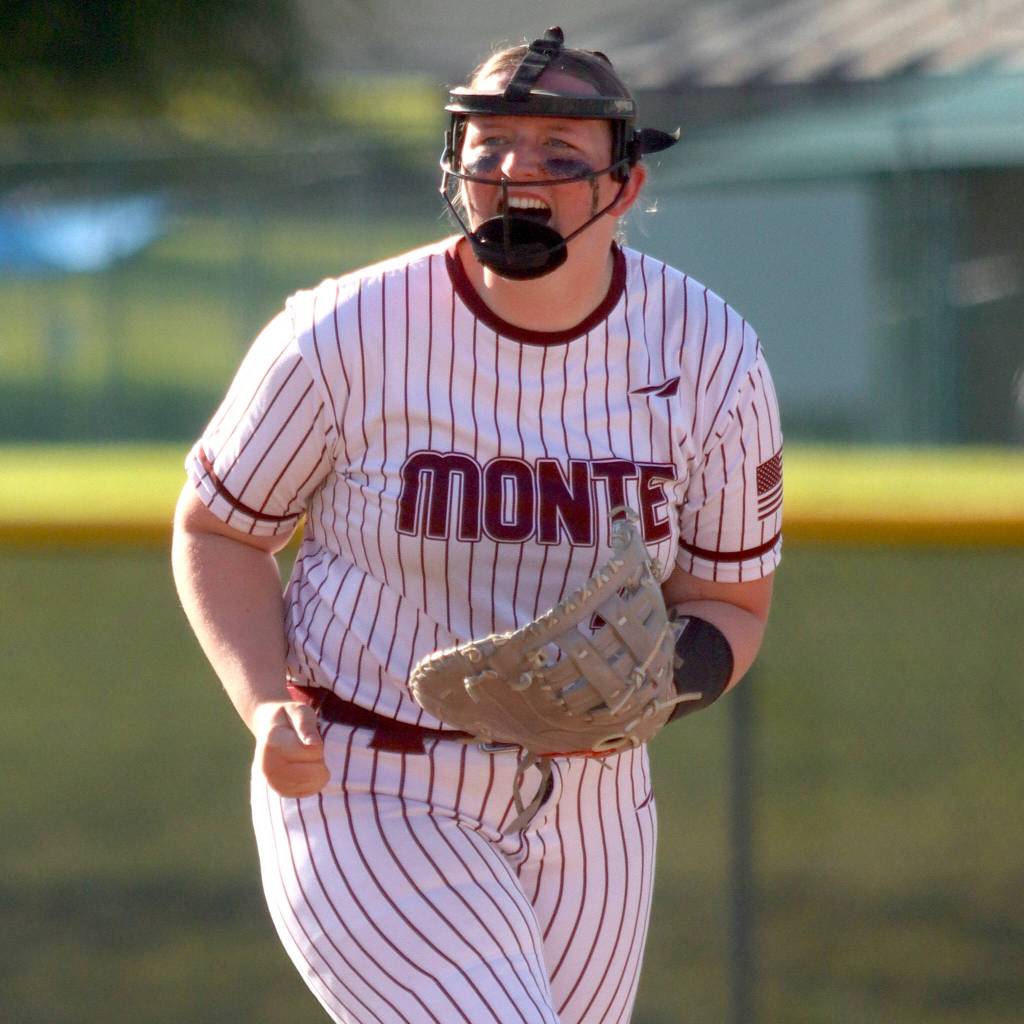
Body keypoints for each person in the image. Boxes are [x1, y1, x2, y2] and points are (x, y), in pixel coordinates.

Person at [172, 26, 782, 1024]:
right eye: (488, 146)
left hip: (594, 803)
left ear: (622, 187)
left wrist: (656, 685)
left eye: (556, 151)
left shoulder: (708, 351)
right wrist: (258, 703)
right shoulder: (345, 332)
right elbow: (217, 528)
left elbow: (727, 599)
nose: (515, 173)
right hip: (370, 777)